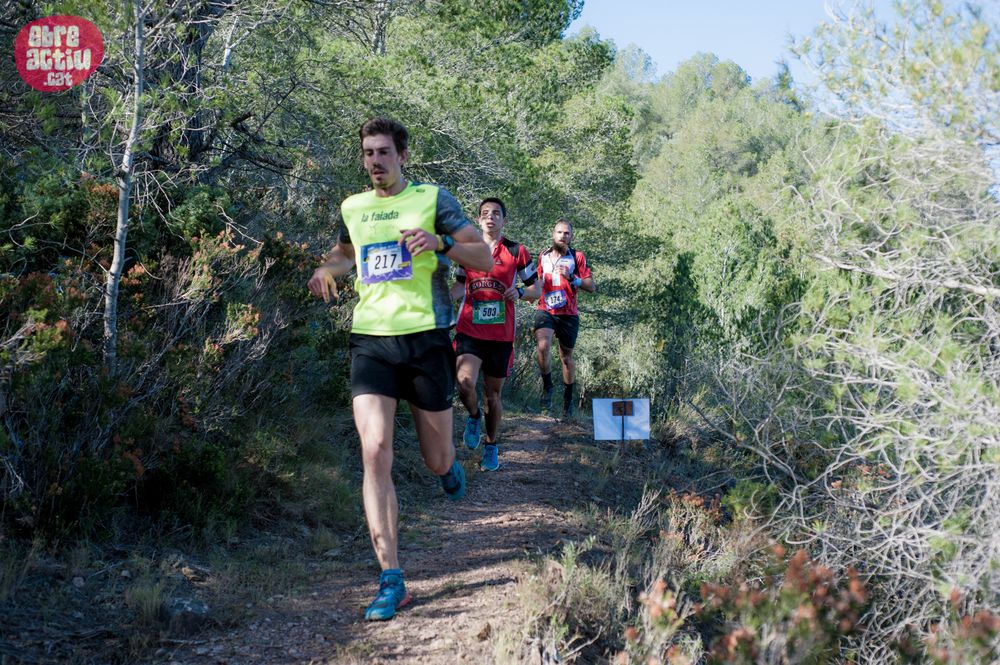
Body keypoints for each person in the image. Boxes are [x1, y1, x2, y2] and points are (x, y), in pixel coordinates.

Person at [307, 118, 492, 621]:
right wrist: (326, 269)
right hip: (371, 340)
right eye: (368, 153)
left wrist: (441, 244)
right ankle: (391, 578)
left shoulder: (433, 199)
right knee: (374, 451)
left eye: (384, 152)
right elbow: (346, 255)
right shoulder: (354, 207)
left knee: (436, 458)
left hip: (426, 339)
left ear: (402, 156)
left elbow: (483, 256)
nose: (375, 161)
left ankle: (448, 468)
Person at [451, 198, 540, 471]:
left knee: (493, 395)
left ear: (504, 220)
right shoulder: (467, 249)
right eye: (485, 213)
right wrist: (439, 301)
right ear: (479, 219)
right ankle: (473, 416)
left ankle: (491, 445)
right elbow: (459, 286)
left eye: (496, 213)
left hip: (500, 335)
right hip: (469, 328)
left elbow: (536, 289)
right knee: (464, 381)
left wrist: (520, 292)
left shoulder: (517, 251)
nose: (490, 217)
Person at [533, 219, 595, 418]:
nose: (562, 236)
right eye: (559, 232)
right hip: (546, 310)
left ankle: (568, 401)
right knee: (543, 346)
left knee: (566, 358)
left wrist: (572, 278)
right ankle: (547, 387)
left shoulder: (577, 257)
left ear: (571, 236)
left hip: (568, 314)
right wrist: (533, 289)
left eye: (566, 233)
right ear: (553, 234)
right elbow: (537, 280)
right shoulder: (543, 255)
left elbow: (591, 286)